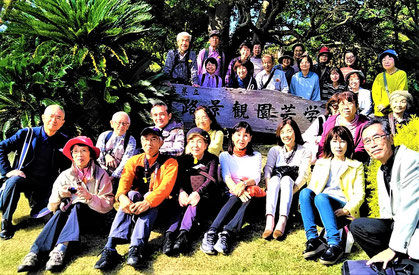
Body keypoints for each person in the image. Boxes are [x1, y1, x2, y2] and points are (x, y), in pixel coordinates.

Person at [17, 136, 114, 272]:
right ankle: (35, 252)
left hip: (93, 219)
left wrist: (90, 197)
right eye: (75, 151)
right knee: (61, 211)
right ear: (72, 156)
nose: (79, 155)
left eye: (84, 150)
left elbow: (108, 204)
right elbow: (51, 207)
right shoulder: (65, 175)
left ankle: (61, 248)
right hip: (68, 220)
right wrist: (59, 195)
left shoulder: (101, 174)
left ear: (90, 154)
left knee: (78, 204)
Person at [94, 127, 178, 270]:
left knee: (149, 195)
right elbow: (124, 182)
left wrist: (148, 202)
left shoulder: (169, 163)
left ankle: (137, 247)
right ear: (141, 141)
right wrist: (121, 197)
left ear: (161, 142)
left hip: (158, 207)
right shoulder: (134, 160)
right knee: (131, 195)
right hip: (136, 205)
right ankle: (110, 247)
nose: (149, 143)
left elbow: (165, 189)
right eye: (145, 139)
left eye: (154, 139)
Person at [350, 119, 419, 269]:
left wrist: (393, 249)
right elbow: (387, 214)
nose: (372, 144)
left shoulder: (411, 160)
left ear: (391, 137)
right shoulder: (382, 171)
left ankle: (401, 264)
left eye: (377, 137)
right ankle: (394, 266)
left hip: (416, 224)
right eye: (367, 141)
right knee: (359, 226)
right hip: (400, 225)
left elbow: (411, 208)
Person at [0, 105, 68, 239]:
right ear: (43, 118)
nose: (54, 120)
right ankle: (6, 222)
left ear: (62, 122)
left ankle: (37, 205)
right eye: (51, 116)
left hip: (46, 184)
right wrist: (7, 171)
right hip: (24, 178)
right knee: (13, 181)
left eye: (58, 118)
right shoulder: (27, 133)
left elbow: (67, 167)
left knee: (49, 219)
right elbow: (1, 147)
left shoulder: (63, 140)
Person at [299, 126, 365, 265]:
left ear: (348, 143)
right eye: (335, 141)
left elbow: (360, 194)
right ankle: (313, 240)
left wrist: (347, 209)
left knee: (321, 197)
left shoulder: (356, 165)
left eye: (342, 141)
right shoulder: (321, 163)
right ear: (329, 143)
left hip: (341, 210)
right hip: (321, 207)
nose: (338, 146)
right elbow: (312, 188)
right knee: (305, 192)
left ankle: (334, 244)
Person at [200, 121, 262, 255]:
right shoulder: (225, 156)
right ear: (232, 136)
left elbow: (256, 177)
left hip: (250, 193)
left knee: (249, 195)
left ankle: (226, 234)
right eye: (238, 134)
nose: (241, 139)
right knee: (238, 196)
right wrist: (237, 190)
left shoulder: (256, 156)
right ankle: (211, 233)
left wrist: (244, 185)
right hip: (231, 194)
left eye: (246, 135)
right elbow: (226, 176)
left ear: (250, 138)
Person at [162, 128, 219, 255]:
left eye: (199, 142)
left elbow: (210, 179)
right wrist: (182, 192)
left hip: (204, 196)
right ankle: (169, 236)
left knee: (194, 205)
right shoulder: (183, 160)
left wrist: (198, 193)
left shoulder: (212, 159)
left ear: (206, 144)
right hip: (186, 195)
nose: (195, 145)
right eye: (192, 142)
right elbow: (179, 179)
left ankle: (183, 236)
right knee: (177, 205)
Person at [262, 119, 311, 240]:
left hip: (293, 186)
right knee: (274, 180)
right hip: (275, 185)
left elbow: (304, 174)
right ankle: (270, 221)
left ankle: (282, 221)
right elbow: (268, 168)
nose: (286, 135)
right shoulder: (275, 150)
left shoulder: (304, 151)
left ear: (296, 132)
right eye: (282, 132)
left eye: (289, 131)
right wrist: (268, 186)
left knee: (286, 180)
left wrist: (290, 190)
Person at [318, 91, 369, 162]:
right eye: (342, 104)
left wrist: (343, 161)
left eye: (350, 103)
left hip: (354, 162)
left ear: (357, 106)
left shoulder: (364, 124)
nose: (346, 107)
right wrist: (323, 161)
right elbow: (323, 144)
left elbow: (361, 149)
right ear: (338, 107)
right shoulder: (331, 121)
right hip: (330, 161)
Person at [96, 111, 137, 194]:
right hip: (100, 172)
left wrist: (113, 177)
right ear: (112, 123)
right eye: (118, 123)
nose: (121, 126)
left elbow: (126, 162)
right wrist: (106, 155)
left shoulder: (131, 140)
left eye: (125, 124)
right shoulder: (104, 135)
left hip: (119, 177)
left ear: (128, 126)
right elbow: (97, 154)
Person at [303, 93, 340, 164]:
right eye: (335, 106)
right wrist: (318, 139)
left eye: (340, 106)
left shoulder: (346, 121)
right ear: (330, 107)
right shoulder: (322, 119)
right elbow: (305, 136)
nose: (337, 110)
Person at [371, 49, 408, 116]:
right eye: (384, 60)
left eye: (390, 59)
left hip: (395, 111)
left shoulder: (401, 74)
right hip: (379, 112)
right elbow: (374, 93)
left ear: (395, 60)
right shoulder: (379, 76)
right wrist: (379, 105)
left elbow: (400, 92)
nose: (386, 62)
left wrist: (385, 104)